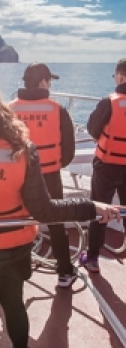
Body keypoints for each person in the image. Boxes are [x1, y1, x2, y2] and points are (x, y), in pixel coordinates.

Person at [0, 74, 120, 348]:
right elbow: (45, 210)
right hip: (12, 245)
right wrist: (93, 207)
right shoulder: (22, 150)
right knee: (14, 306)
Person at [9, 62, 77, 287]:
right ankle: (65, 272)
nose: (50, 85)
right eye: (49, 81)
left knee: (16, 220)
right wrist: (55, 163)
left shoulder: (8, 110)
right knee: (57, 222)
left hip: (17, 176)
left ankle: (14, 272)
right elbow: (69, 148)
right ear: (42, 82)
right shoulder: (57, 109)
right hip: (49, 175)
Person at [80, 58, 126, 273]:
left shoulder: (109, 102)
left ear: (120, 76)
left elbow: (92, 129)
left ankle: (92, 259)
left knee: (100, 212)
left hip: (107, 166)